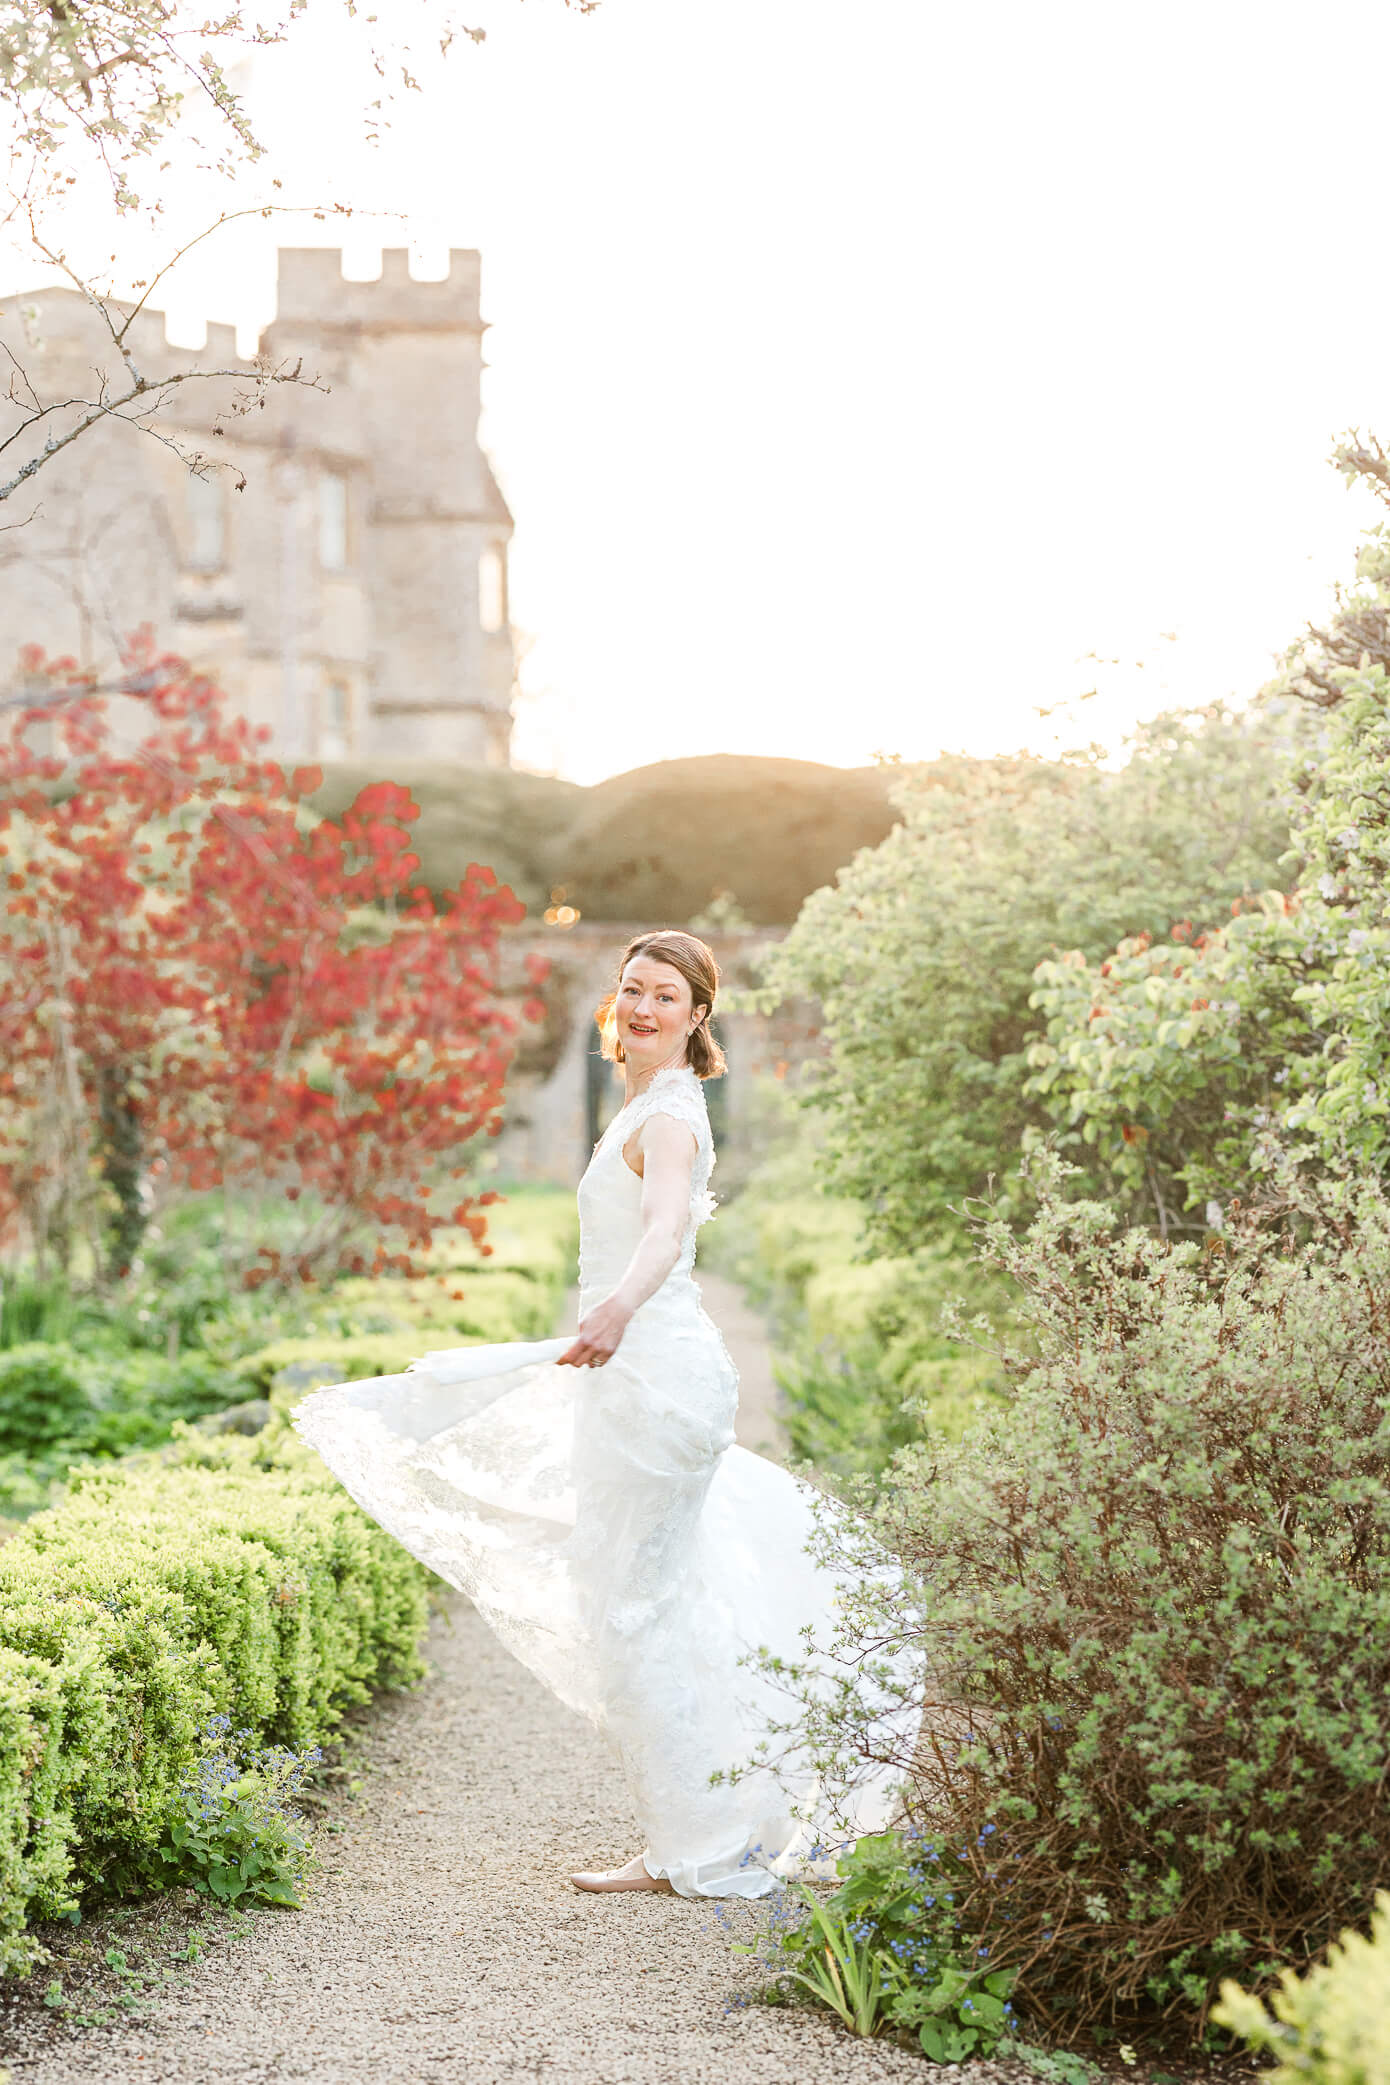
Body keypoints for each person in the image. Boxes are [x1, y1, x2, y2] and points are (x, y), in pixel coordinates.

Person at [294, 928, 913, 1897]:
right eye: (632, 989)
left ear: (698, 1015)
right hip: (634, 1374)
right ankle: (717, 1818)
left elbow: (665, 1226)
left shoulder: (668, 1115)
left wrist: (616, 1309)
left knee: (636, 1608)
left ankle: (695, 1841)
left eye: (665, 994)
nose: (643, 1007)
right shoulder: (646, 1101)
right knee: (648, 1600)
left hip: (652, 1373)